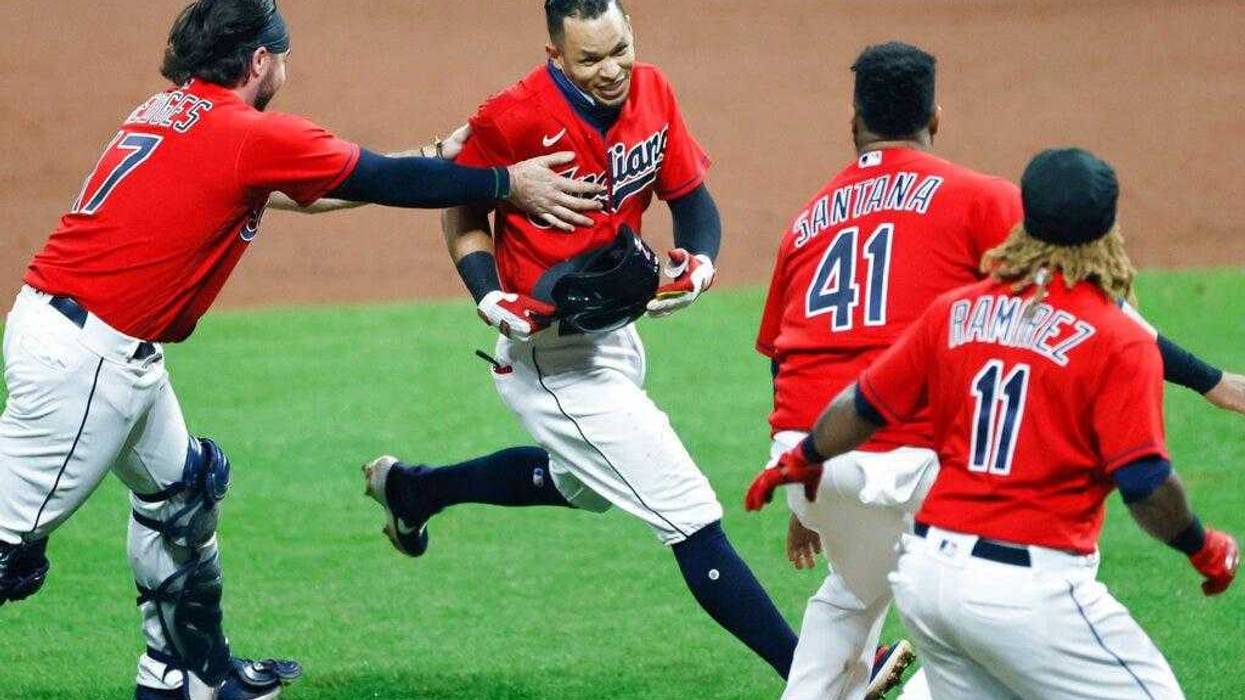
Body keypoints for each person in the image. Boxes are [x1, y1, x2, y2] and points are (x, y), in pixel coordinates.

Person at [0, 1, 605, 699]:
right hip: (86, 364)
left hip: (86, 338)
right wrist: (505, 183)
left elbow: (311, 192)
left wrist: (437, 156)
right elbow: (373, 177)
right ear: (260, 62)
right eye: (280, 56)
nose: (286, 67)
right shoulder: (245, 134)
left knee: (182, 495)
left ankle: (185, 675)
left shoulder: (169, 111)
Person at [359, 0, 831, 687]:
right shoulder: (513, 116)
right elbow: (460, 208)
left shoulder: (653, 89)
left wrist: (699, 261)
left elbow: (690, 196)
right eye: (590, 59)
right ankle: (816, 677)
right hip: (548, 357)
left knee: (578, 485)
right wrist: (487, 293)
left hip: (615, 336)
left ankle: (413, 490)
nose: (612, 70)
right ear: (556, 56)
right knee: (690, 514)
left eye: (620, 49)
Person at [753, 42, 1244, 700]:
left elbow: (801, 365)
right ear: (936, 115)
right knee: (997, 604)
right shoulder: (984, 204)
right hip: (951, 507)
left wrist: (806, 474)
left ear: (853, 120)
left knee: (853, 594)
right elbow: (1106, 346)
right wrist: (1211, 389)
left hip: (824, 452)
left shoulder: (817, 225)